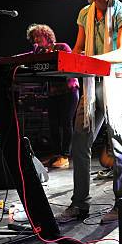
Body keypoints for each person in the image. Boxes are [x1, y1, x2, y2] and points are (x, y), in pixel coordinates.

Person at [55, 0, 122, 225]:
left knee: (117, 142)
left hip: (115, 81)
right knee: (79, 142)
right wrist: (65, 60)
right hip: (91, 84)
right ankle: (80, 204)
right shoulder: (84, 14)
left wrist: (86, 61)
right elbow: (79, 49)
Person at [26, 24, 79, 168]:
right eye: (34, 37)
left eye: (38, 36)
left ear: (47, 35)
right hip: (53, 93)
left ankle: (65, 156)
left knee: (66, 123)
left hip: (69, 91)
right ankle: (56, 155)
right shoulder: (38, 52)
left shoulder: (62, 47)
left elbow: (69, 65)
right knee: (53, 125)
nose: (36, 39)